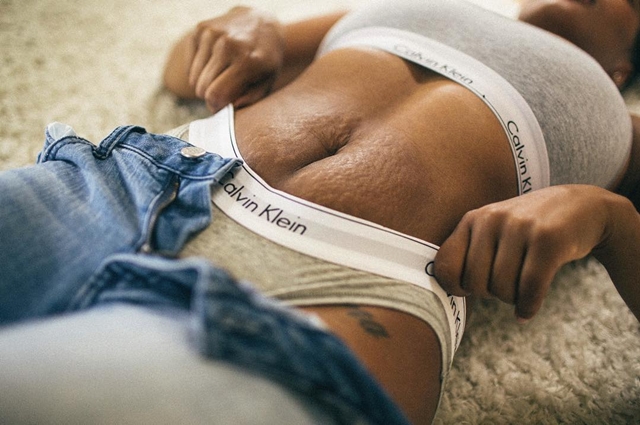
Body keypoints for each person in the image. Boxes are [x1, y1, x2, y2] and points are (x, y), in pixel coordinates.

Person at [0, 1, 638, 424]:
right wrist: (245, 27)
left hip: (343, 292)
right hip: (142, 181)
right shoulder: (438, 8)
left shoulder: (621, 122)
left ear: (621, 69)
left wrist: (609, 218)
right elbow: (183, 69)